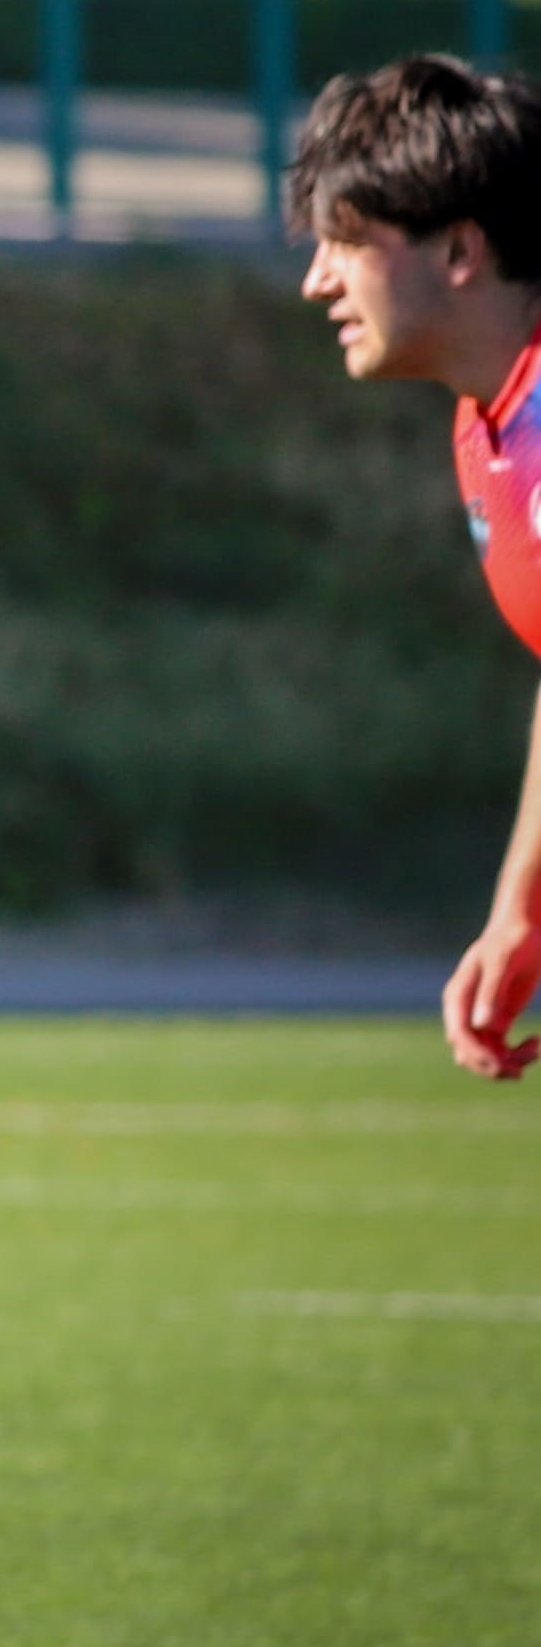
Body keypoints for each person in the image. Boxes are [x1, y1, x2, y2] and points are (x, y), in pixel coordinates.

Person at [283, 58, 541, 1078]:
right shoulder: (491, 429)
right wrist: (520, 913)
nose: (316, 279)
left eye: (345, 241)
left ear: (462, 248)